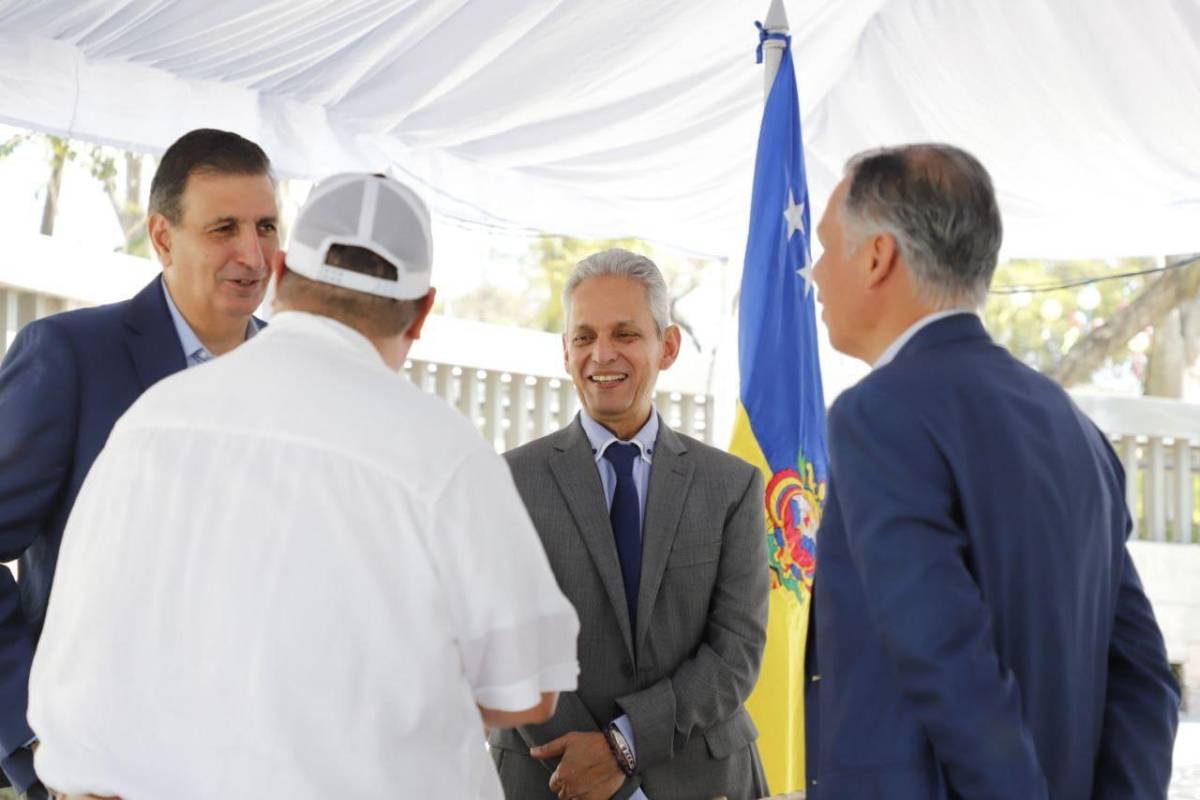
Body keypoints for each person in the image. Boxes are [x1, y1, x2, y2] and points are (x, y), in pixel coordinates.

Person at [27, 173, 580, 799]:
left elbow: (81, 652)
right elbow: (531, 688)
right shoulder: (444, 453)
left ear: (283, 271)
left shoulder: (151, 423)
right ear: (423, 310)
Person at [807, 143, 1180, 798]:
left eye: (826, 246)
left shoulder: (879, 414)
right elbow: (1144, 682)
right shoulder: (1076, 432)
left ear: (876, 257)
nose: (813, 273)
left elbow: (944, 660)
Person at [0, 127, 277, 797]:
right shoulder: (69, 356)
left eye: (266, 226)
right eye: (224, 229)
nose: (253, 254)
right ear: (162, 237)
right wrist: (37, 737)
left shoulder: (301, 382)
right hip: (100, 772)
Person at [490, 248, 770, 800]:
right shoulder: (507, 481)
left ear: (667, 347)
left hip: (703, 779)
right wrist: (589, 762)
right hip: (550, 777)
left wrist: (623, 744)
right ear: (565, 350)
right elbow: (507, 642)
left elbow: (736, 651)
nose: (602, 354)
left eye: (625, 334)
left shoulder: (732, 488)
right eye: (584, 336)